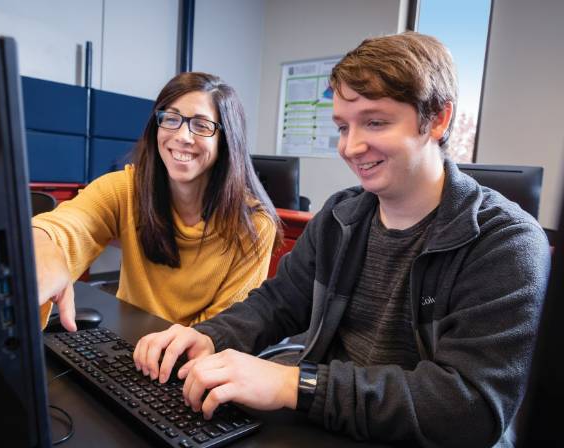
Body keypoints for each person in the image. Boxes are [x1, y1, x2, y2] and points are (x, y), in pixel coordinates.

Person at [132, 32, 551, 447]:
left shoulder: (507, 244)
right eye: (341, 126)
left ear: (438, 119)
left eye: (375, 122)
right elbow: (278, 302)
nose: (351, 147)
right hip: (331, 424)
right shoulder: (340, 216)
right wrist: (211, 335)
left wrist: (297, 384)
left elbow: (469, 408)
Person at [33, 72, 282, 331]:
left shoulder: (254, 224)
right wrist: (42, 244)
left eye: (201, 125)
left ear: (226, 139)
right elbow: (64, 225)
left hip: (197, 360)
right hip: (127, 343)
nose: (183, 136)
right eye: (171, 119)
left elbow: (223, 331)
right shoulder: (125, 189)